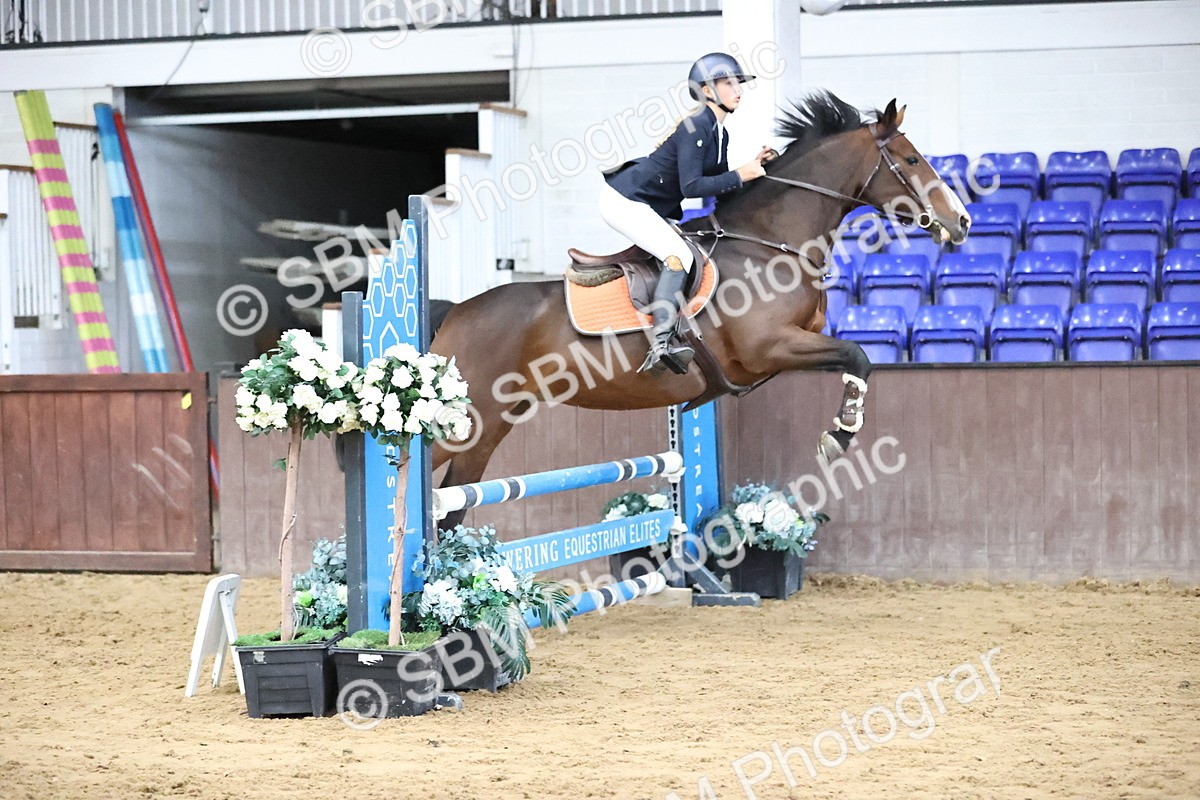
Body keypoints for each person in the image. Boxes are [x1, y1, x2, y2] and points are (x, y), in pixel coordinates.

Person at [600, 52, 774, 374]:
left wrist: (757, 168)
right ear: (707, 91)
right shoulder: (696, 126)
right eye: (729, 83)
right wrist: (740, 174)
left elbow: (719, 186)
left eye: (739, 84)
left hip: (649, 204)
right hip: (625, 200)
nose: (738, 90)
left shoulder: (719, 132)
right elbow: (693, 187)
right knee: (678, 255)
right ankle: (661, 345)